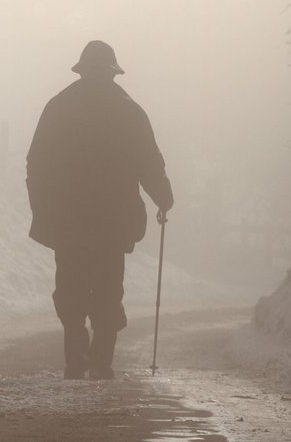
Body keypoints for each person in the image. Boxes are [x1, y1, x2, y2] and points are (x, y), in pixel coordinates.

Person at [26, 40, 173, 380]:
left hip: (69, 219)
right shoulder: (128, 111)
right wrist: (163, 197)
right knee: (107, 288)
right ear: (113, 72)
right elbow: (149, 161)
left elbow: (36, 164)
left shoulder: (59, 107)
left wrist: (43, 209)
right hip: (113, 220)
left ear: (82, 70)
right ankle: (101, 360)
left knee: (71, 286)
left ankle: (77, 354)